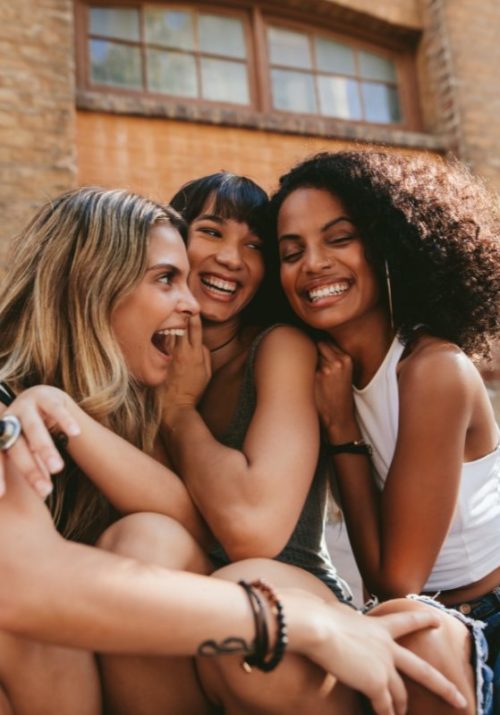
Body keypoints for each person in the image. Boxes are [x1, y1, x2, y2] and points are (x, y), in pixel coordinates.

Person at [0, 185, 473, 715]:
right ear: (92, 284)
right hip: (205, 607)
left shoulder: (257, 354)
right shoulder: (103, 390)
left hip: (268, 582)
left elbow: (214, 526)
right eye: (166, 278)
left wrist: (83, 414)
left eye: (257, 247)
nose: (188, 302)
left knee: (147, 539)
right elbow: (24, 584)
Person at [269, 150, 500, 714]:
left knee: (398, 631)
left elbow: (395, 584)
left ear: (387, 246)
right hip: (418, 621)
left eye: (338, 238)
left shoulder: (432, 371)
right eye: (291, 252)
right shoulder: (325, 373)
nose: (313, 264)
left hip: (484, 620)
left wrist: (344, 434)